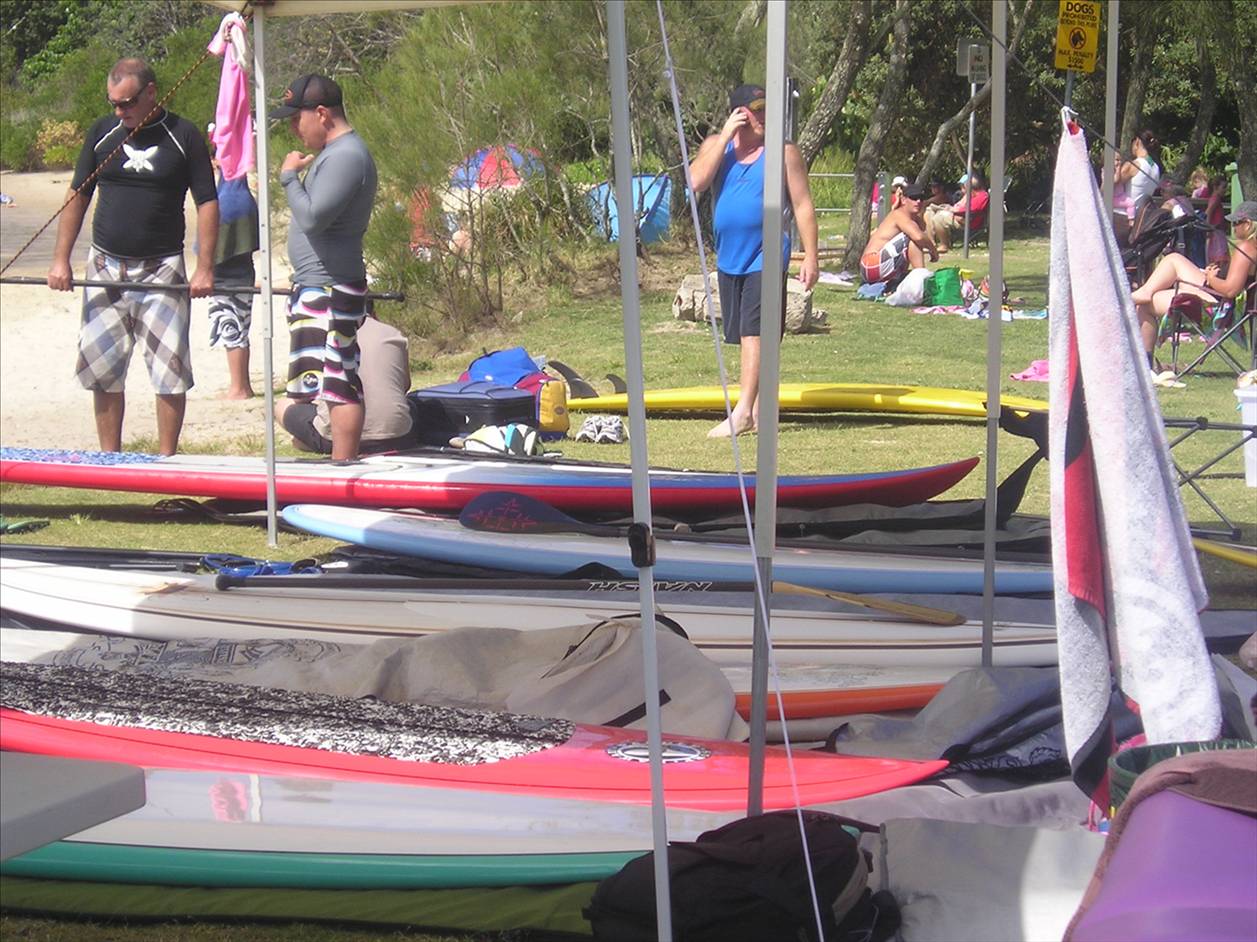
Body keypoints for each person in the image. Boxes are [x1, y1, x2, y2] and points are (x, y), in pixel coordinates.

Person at [47, 57, 218, 455]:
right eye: (114, 104)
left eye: (127, 103)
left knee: (169, 371)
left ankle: (166, 460)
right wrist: (60, 260)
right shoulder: (102, 133)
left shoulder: (184, 135)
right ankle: (111, 460)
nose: (120, 112)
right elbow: (78, 195)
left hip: (162, 269)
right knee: (103, 370)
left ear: (151, 93)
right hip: (105, 266)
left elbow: (207, 202)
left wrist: (205, 268)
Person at [688, 83, 819, 438]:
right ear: (739, 113)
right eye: (756, 110)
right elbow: (697, 181)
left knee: (755, 332)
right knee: (745, 334)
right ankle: (761, 411)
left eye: (767, 109)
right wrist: (724, 137)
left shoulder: (783, 152)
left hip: (768, 252)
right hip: (730, 257)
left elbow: (803, 204)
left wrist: (811, 255)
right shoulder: (716, 146)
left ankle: (743, 411)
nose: (763, 117)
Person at [270, 73, 377, 461]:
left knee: (338, 385)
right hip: (319, 285)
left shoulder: (346, 156)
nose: (293, 129)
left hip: (331, 288)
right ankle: (336, 463)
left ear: (321, 113)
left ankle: (343, 467)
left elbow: (314, 218)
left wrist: (288, 178)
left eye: (296, 119)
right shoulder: (335, 154)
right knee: (323, 383)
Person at [1131, 200, 1257, 369]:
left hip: (1218, 307)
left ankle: (1144, 366)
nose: (1233, 228)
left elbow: (1230, 290)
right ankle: (1143, 293)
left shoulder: (1247, 248)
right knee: (1173, 261)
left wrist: (1212, 278)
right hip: (1217, 297)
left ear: (1248, 224)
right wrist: (1210, 274)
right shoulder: (1252, 247)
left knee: (1146, 304)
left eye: (1236, 223)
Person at [275, 308, 416, 454]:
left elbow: (303, 394)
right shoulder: (394, 334)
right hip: (398, 436)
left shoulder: (325, 333)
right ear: (374, 312)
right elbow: (405, 386)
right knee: (410, 403)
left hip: (334, 437)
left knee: (282, 405)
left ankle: (310, 442)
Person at [207, 128, 258, 399]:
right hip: (242, 270)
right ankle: (241, 384)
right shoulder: (240, 193)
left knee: (232, 326)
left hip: (229, 274)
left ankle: (239, 387)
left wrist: (205, 268)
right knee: (238, 325)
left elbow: (218, 244)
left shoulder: (229, 198)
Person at [859, 182, 938, 285]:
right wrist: (933, 250)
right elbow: (918, 237)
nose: (918, 201)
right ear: (904, 200)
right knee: (912, 237)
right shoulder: (899, 215)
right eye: (914, 198)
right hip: (871, 264)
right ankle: (921, 279)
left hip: (877, 267)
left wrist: (921, 212)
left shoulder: (913, 219)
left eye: (921, 198)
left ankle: (910, 279)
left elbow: (922, 230)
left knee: (913, 236)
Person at [1112, 129, 1161, 244]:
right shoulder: (1156, 168)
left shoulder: (1134, 165)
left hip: (1120, 217)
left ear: (1137, 142)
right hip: (1140, 220)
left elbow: (1111, 185)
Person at [924, 171, 990, 253]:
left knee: (940, 217)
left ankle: (944, 245)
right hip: (960, 217)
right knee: (929, 211)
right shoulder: (968, 195)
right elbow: (959, 206)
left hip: (968, 221)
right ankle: (931, 243)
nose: (961, 188)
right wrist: (950, 208)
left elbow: (972, 209)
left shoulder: (982, 195)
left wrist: (954, 210)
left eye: (963, 186)